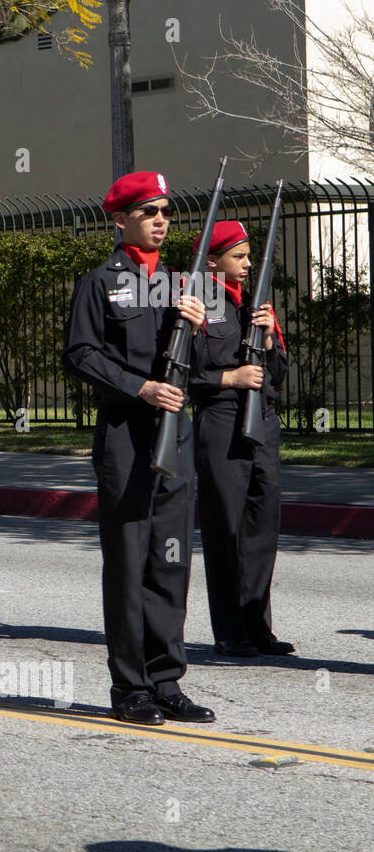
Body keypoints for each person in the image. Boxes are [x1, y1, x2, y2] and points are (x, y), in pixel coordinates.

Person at [64, 171, 214, 726]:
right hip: (127, 434)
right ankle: (130, 686)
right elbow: (80, 353)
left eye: (166, 212)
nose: (160, 220)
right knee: (129, 561)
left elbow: (201, 373)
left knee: (170, 559)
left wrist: (195, 331)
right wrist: (139, 386)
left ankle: (166, 679)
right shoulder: (99, 282)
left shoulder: (184, 285)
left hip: (175, 431)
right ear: (120, 218)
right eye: (148, 211)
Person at [188, 221, 294, 658]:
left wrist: (269, 340)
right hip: (221, 421)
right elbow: (183, 374)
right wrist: (228, 377)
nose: (248, 263)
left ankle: (258, 627)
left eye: (251, 256)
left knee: (260, 529)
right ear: (212, 261)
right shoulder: (195, 304)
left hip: (262, 422)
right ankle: (230, 631)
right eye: (239, 256)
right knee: (226, 529)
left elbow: (280, 374)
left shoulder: (256, 303)